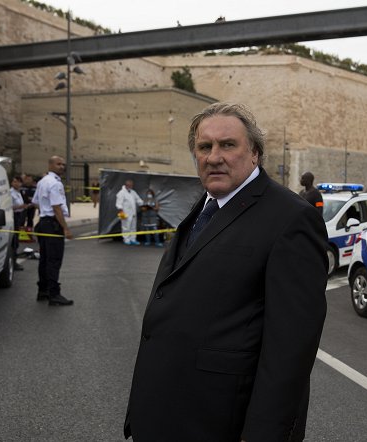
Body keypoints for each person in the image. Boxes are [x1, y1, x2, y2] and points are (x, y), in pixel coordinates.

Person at [124, 103, 328, 441]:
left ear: (255, 154)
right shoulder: (206, 203)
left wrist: (264, 434)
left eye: (228, 145)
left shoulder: (291, 218)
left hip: (219, 424)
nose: (214, 156)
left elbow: (291, 349)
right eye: (205, 147)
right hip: (164, 413)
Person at [32, 156, 74, 306]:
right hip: (53, 224)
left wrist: (44, 211)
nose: (62, 167)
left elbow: (35, 202)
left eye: (63, 164)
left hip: (44, 222)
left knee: (44, 259)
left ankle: (42, 290)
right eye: (59, 164)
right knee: (54, 260)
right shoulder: (55, 183)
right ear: (50, 165)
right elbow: (57, 207)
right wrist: (65, 228)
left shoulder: (42, 181)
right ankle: (54, 294)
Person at [115, 179, 144, 245]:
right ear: (126, 185)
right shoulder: (121, 193)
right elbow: (119, 203)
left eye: (132, 185)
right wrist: (121, 211)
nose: (131, 186)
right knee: (126, 227)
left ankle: (133, 239)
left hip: (133, 213)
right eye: (130, 185)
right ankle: (126, 239)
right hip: (125, 213)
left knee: (133, 227)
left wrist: (142, 204)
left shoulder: (133, 192)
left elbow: (138, 199)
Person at [10, 175, 27, 271]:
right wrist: (20, 206)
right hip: (13, 216)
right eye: (14, 181)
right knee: (14, 240)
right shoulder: (10, 192)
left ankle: (14, 261)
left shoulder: (19, 192)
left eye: (18, 182)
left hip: (19, 216)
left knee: (17, 240)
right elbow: (9, 206)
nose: (16, 183)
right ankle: (13, 262)